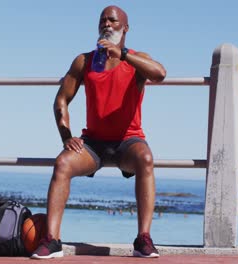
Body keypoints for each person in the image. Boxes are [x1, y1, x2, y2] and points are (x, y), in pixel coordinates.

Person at [31, 5, 166, 259]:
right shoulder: (84, 61)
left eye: (113, 21)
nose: (106, 24)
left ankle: (143, 240)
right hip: (93, 143)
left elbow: (160, 74)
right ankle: (51, 240)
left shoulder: (137, 59)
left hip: (128, 141)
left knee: (146, 158)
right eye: (102, 20)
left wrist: (123, 54)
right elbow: (60, 101)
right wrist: (66, 136)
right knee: (62, 163)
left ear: (125, 28)